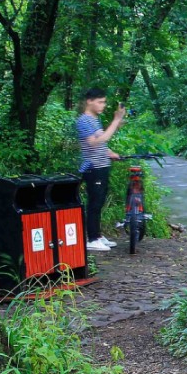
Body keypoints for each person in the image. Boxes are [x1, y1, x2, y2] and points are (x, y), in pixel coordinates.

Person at [75, 87, 126, 252]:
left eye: (104, 102)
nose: (103, 105)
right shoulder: (84, 120)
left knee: (100, 201)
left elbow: (100, 144)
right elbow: (93, 142)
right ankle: (92, 238)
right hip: (92, 167)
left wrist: (109, 152)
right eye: (100, 102)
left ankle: (97, 234)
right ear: (89, 101)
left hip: (102, 165)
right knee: (94, 203)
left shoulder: (94, 120)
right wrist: (116, 121)